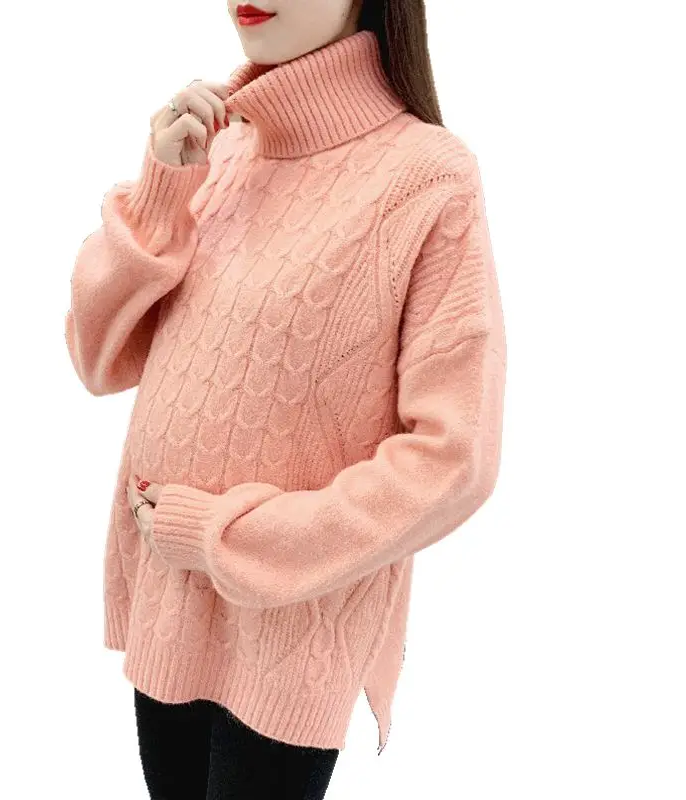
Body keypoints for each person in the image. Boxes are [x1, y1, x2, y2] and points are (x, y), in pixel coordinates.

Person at [64, 0, 507, 796]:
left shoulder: (427, 175)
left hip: (291, 636)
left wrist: (229, 539)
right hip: (169, 604)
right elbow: (97, 358)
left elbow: (454, 459)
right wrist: (162, 194)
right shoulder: (222, 147)